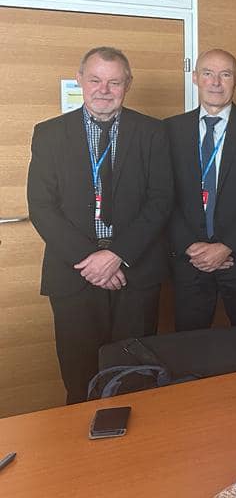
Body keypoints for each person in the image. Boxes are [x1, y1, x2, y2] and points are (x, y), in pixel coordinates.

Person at [27, 46, 173, 403]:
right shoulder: (49, 134)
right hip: (73, 275)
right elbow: (42, 206)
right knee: (79, 379)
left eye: (114, 82)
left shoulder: (152, 132)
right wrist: (91, 259)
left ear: (128, 84)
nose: (104, 90)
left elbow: (161, 200)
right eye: (95, 80)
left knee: (135, 379)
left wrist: (116, 255)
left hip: (135, 273)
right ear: (80, 79)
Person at [165, 49, 236, 332]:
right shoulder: (170, 129)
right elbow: (163, 196)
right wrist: (190, 247)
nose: (216, 82)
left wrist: (226, 246)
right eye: (208, 73)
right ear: (195, 78)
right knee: (188, 342)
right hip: (189, 259)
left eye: (225, 74)